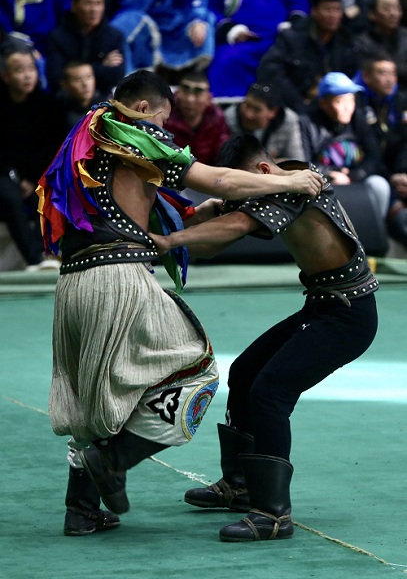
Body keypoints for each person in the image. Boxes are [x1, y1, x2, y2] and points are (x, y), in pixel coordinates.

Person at [37, 69, 325, 536]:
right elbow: (217, 179)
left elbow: (135, 206)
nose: (165, 132)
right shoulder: (131, 127)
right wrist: (288, 183)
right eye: (164, 120)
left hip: (73, 283)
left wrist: (194, 217)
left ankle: (82, 508)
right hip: (118, 279)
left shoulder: (86, 136)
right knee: (197, 372)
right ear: (145, 108)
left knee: (95, 396)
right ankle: (114, 460)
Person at [149, 134, 379, 543]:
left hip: (348, 314)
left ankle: (273, 515)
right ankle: (238, 487)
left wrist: (168, 241)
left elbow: (236, 226)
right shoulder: (275, 180)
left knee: (270, 392)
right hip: (322, 305)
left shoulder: (298, 183)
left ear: (261, 172)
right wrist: (196, 217)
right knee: (246, 371)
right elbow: (222, 232)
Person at [0, 44, 65, 269]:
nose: (27, 75)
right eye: (19, 70)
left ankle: (43, 254)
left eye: (31, 68)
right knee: (8, 195)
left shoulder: (48, 106)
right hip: (4, 174)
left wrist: (31, 178)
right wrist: (16, 178)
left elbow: (53, 150)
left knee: (52, 189)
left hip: (36, 175)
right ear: (6, 76)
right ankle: (33, 260)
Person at [300, 71, 391, 220]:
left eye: (351, 100)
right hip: (326, 182)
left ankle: (375, 230)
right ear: (323, 103)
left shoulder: (357, 118)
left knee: (379, 185)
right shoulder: (306, 122)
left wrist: (354, 175)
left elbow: (374, 155)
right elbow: (303, 161)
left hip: (356, 178)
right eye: (339, 101)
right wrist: (329, 175)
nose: (347, 107)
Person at [257, 0, 362, 113]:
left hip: (332, 106)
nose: (333, 15)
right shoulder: (292, 37)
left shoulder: (346, 41)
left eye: (337, 10)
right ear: (314, 11)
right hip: (294, 104)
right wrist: (298, 105)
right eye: (327, 9)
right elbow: (270, 71)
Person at [204, 0, 310, 98]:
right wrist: (232, 30)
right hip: (240, 41)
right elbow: (208, 7)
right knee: (224, 62)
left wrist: (291, 27)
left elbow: (298, 1)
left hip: (280, 39)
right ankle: (230, 108)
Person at [110, 0, 215, 84]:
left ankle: (188, 84)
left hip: (176, 22)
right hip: (143, 19)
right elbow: (132, 3)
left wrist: (197, 20)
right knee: (124, 24)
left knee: (206, 21)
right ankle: (130, 83)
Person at [356, 52, 407, 248]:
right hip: (373, 175)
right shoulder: (356, 103)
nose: (389, 79)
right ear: (367, 76)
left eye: (392, 74)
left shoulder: (401, 101)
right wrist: (391, 177)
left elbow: (405, 142)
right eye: (382, 73)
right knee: (402, 222)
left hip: (399, 173)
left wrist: (402, 173)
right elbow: (369, 151)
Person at [46, 0, 125, 98]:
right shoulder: (57, 37)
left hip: (102, 98)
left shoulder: (114, 36)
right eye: (88, 3)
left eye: (98, 3)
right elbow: (55, 78)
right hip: (67, 102)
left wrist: (75, 74)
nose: (94, 10)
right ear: (74, 6)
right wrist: (100, 67)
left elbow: (116, 75)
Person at [224, 81, 305, 161]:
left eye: (257, 109)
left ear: (273, 111)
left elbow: (297, 161)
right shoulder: (229, 117)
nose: (248, 114)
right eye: (247, 105)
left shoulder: (288, 120)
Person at [164, 70, 230, 167]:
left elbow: (222, 156)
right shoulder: (165, 115)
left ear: (209, 99)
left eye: (197, 93)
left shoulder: (217, 118)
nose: (190, 99)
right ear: (177, 93)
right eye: (185, 91)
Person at [355, 0, 407, 92]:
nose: (393, 13)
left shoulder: (405, 36)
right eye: (386, 9)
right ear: (372, 14)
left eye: (397, 8)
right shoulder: (362, 42)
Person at [57, 60, 101, 131]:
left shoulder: (106, 109)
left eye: (89, 77)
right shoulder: (58, 112)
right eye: (78, 79)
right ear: (65, 85)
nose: (85, 84)